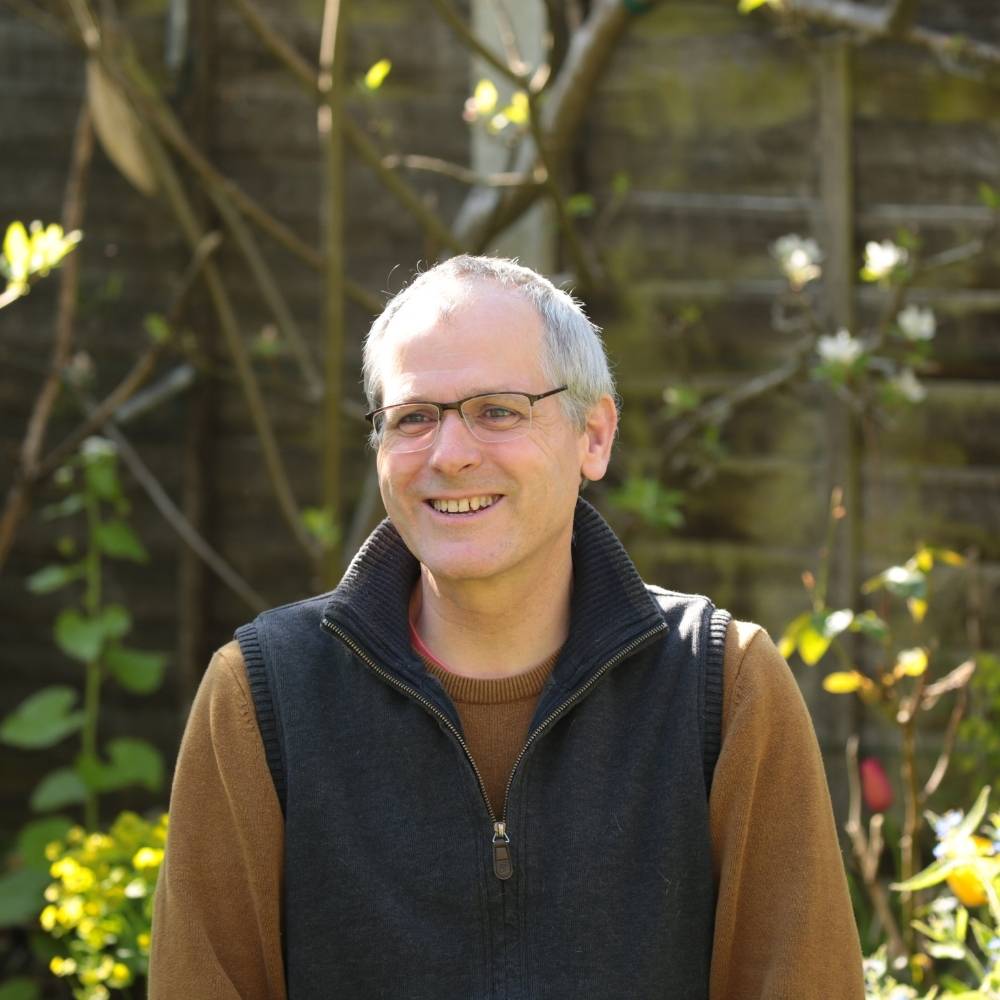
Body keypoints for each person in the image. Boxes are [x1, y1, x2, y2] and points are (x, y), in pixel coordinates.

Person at [150, 255, 865, 999]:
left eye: (498, 411)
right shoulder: (264, 700)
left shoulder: (724, 687)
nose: (450, 456)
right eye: (414, 418)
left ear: (594, 435)